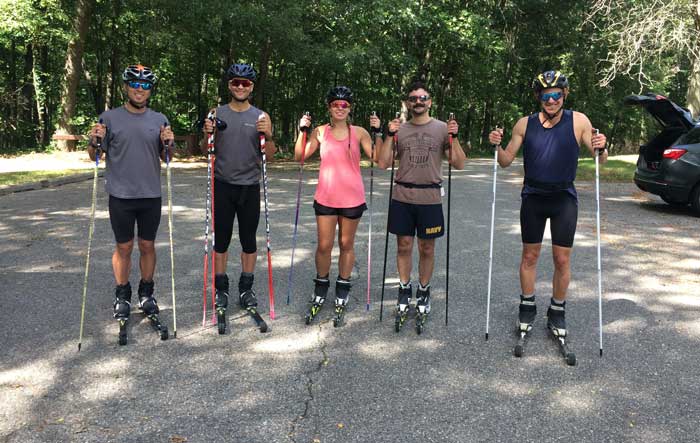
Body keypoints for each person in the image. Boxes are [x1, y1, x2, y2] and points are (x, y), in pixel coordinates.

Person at [488, 70, 608, 338]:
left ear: (564, 95)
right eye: (546, 96)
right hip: (533, 196)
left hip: (564, 197)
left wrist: (603, 147)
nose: (551, 100)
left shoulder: (578, 121)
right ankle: (527, 305)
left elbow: (599, 158)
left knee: (561, 259)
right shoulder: (524, 123)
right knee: (529, 256)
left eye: (556, 95)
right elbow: (506, 160)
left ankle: (557, 311)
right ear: (538, 97)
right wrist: (495, 147)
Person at [88, 64, 173, 334]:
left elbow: (168, 157)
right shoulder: (109, 118)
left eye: (145, 85)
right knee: (124, 247)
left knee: (148, 245)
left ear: (150, 91)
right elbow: (95, 156)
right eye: (135, 83)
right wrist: (94, 140)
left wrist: (169, 142)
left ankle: (146, 293)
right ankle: (122, 294)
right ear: (126, 87)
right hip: (121, 194)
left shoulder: (160, 119)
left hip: (150, 194)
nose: (140, 88)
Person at [375, 81, 466, 330]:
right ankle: (405, 290)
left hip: (430, 198)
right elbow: (382, 164)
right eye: (413, 98)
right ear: (407, 102)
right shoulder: (400, 129)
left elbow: (459, 164)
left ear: (430, 101)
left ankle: (424, 291)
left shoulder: (441, 129)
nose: (418, 101)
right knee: (403, 246)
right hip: (402, 196)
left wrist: (454, 138)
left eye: (423, 97)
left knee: (427, 248)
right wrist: (388, 135)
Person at [295, 86, 381, 325]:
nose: (340, 108)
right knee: (324, 246)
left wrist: (379, 133)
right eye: (335, 104)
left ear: (350, 108)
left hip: (352, 198)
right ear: (329, 107)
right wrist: (303, 130)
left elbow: (379, 159)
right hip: (326, 197)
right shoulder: (321, 132)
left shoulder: (360, 132)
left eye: (344, 105)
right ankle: (321, 286)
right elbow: (300, 156)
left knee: (346, 244)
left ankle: (342, 288)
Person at [202, 62, 275, 330]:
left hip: (249, 185)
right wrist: (206, 134)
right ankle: (221, 287)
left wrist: (267, 133)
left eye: (245, 83)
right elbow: (206, 150)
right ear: (229, 85)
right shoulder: (216, 113)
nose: (240, 87)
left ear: (252, 87)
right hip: (222, 184)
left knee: (248, 240)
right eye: (236, 82)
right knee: (221, 240)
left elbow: (271, 154)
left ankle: (246, 288)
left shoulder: (260, 116)